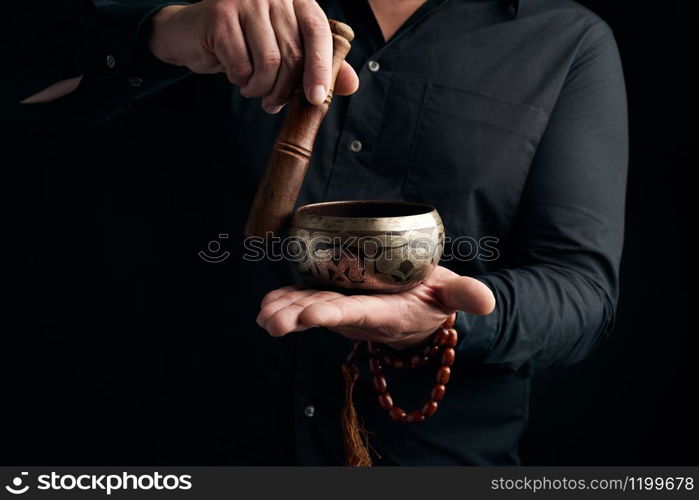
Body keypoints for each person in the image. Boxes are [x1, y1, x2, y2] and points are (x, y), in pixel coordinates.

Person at [2, 0, 627, 465]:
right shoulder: (226, 6)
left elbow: (581, 291)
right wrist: (162, 33)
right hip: (191, 449)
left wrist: (450, 319)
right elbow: (25, 86)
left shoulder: (565, 39)